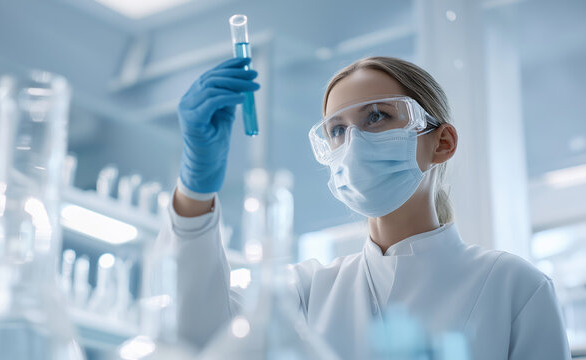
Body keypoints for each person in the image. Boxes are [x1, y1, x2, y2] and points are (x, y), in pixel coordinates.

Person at [159, 56, 571, 359]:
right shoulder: (304, 292)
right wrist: (195, 189)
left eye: (377, 116)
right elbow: (199, 337)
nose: (352, 144)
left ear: (441, 142)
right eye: (337, 130)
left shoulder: (515, 287)